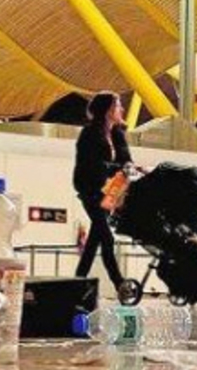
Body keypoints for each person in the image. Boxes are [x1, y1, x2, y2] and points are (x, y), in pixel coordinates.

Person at [72, 91, 131, 292]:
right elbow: (92, 165)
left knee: (94, 240)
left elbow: (126, 160)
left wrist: (129, 168)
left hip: (111, 191)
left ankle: (78, 281)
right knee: (106, 237)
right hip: (91, 191)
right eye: (118, 105)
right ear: (108, 111)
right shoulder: (89, 134)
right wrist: (116, 168)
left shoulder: (117, 134)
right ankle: (119, 283)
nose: (122, 109)